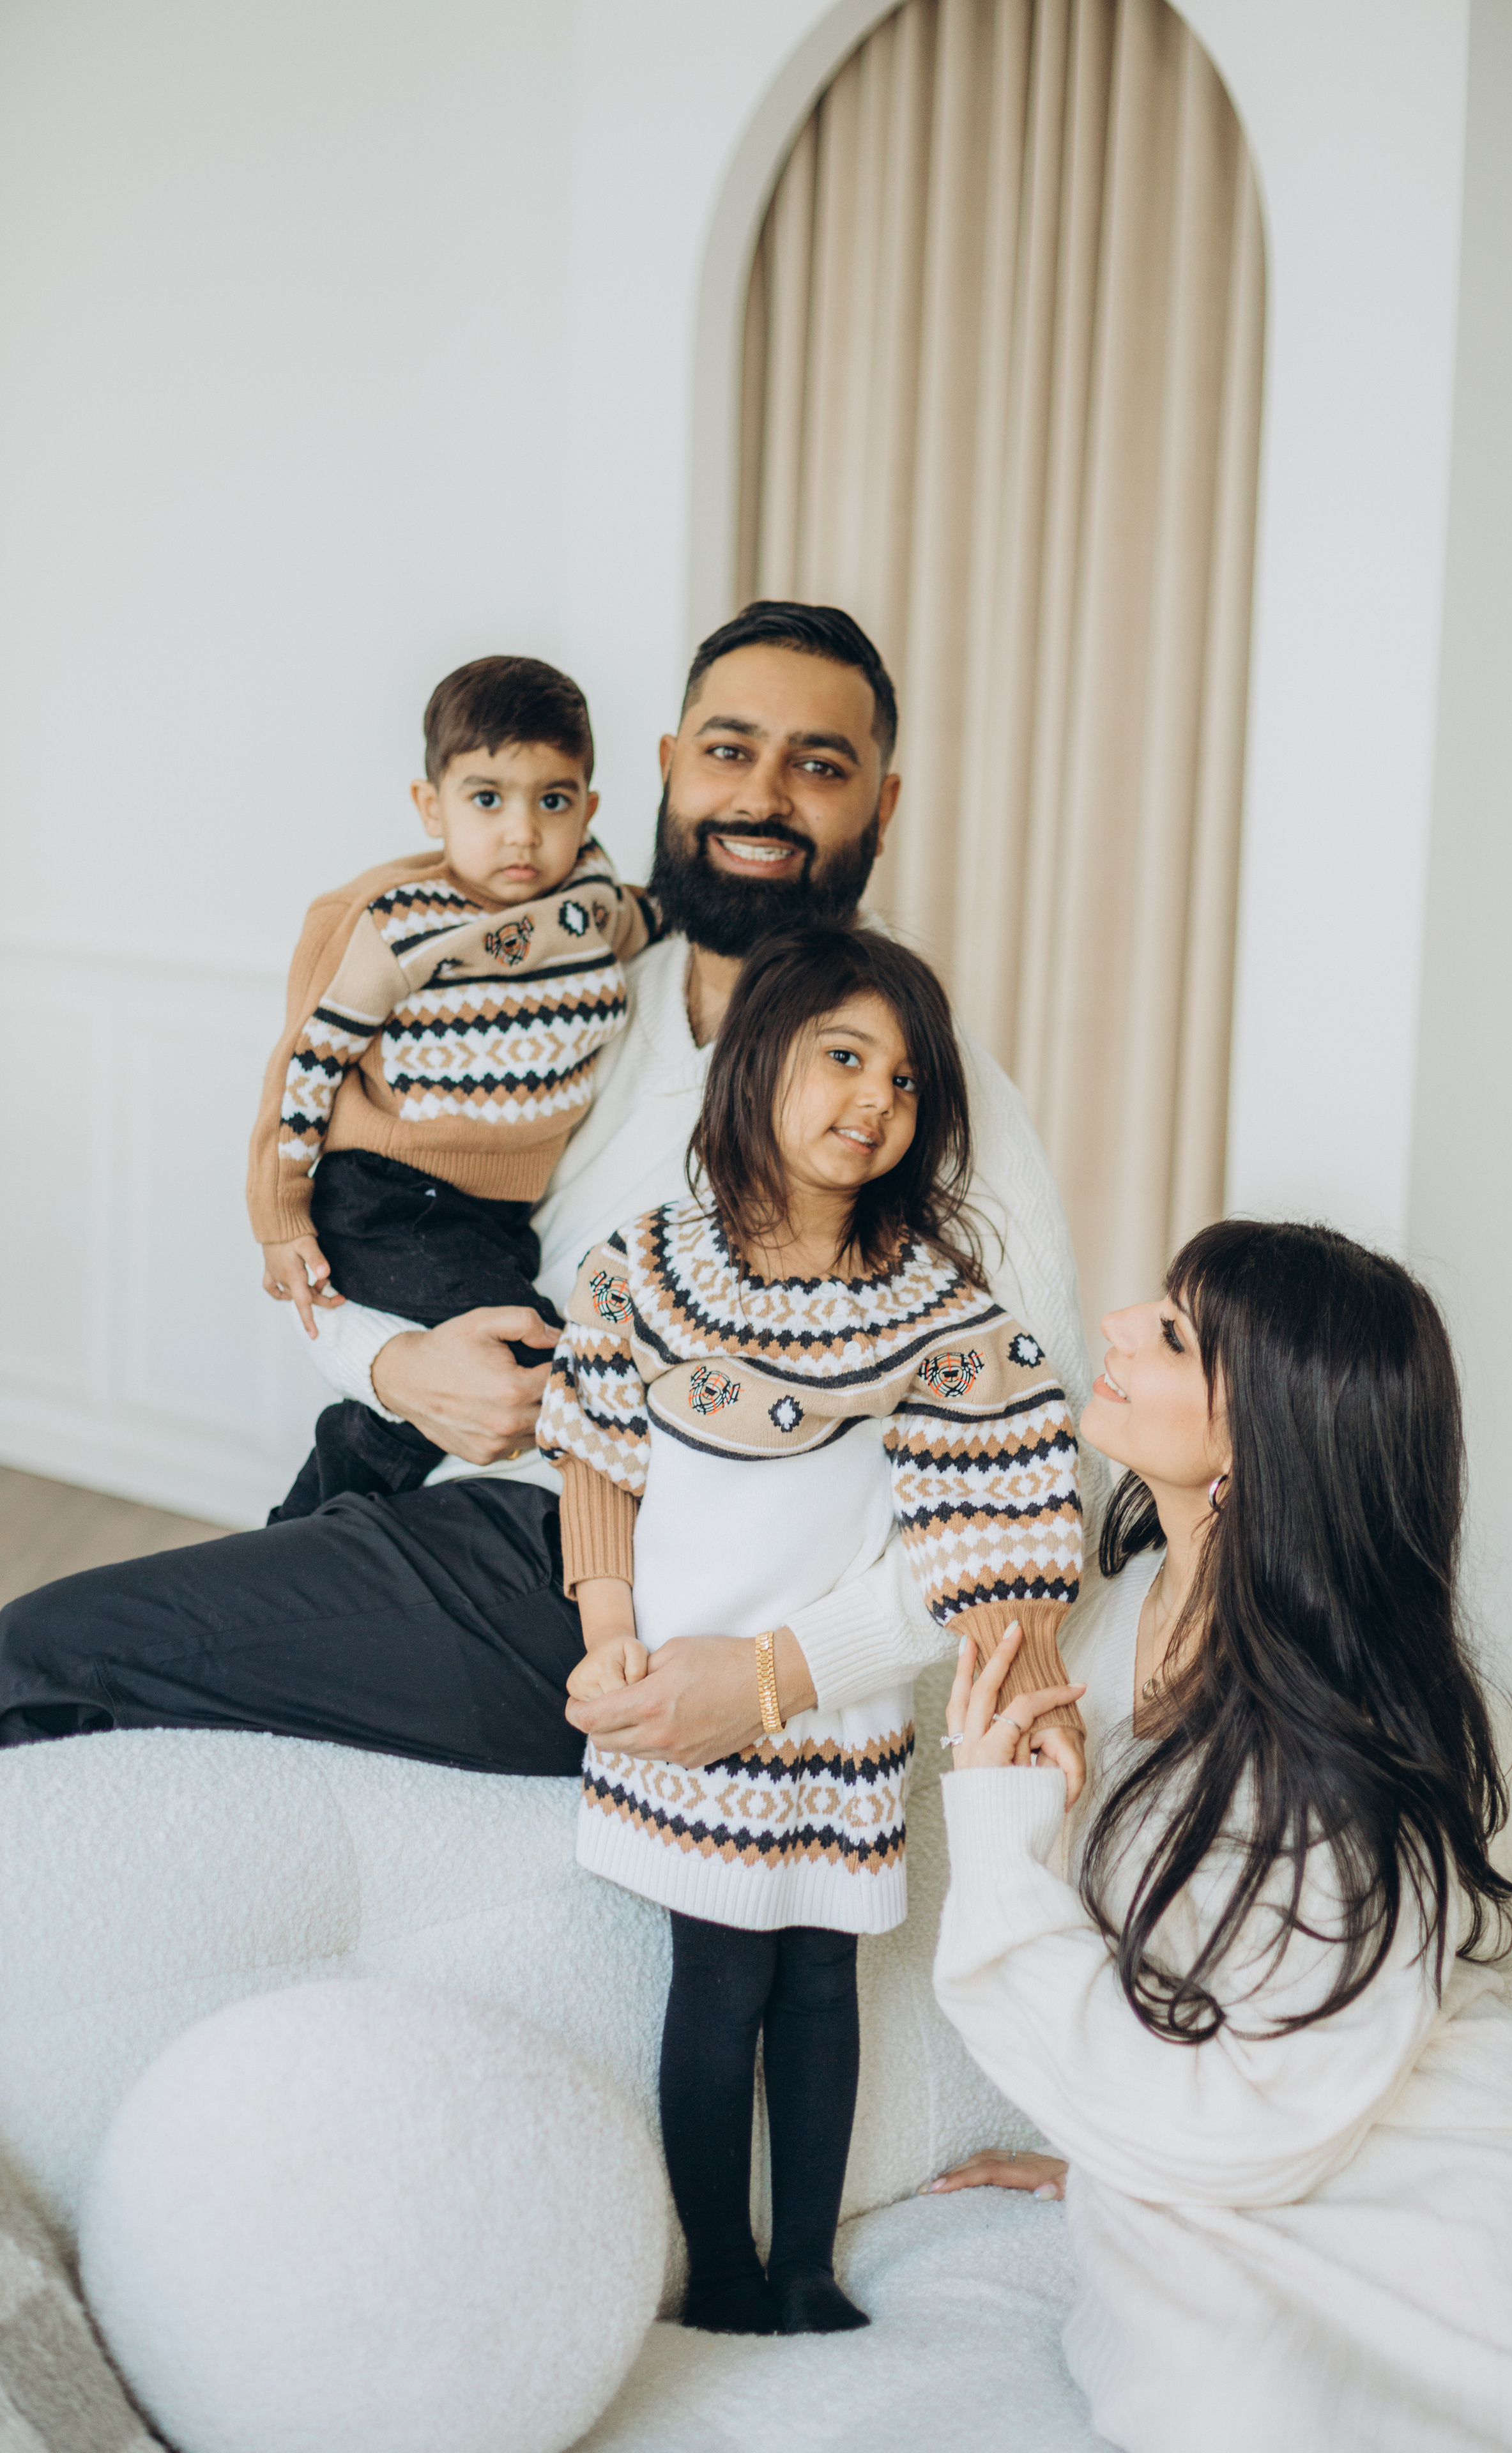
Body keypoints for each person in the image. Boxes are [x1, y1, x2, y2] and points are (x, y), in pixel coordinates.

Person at [0, 602, 1099, 1784]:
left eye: (819, 765)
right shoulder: (590, 987)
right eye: (729, 751)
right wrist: (393, 1367)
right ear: (672, 771)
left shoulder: (919, 1086)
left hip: (607, 1570)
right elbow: (375, 1224)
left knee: (42, 1657)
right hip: (441, 1472)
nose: (763, 797)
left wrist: (778, 1676)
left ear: (881, 808)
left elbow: (1051, 1473)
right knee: (121, 1701)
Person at [922, 1219, 1512, 2453]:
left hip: (1416, 2176)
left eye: (1172, 1334)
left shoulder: (1339, 1761)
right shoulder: (1118, 1599)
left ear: (1258, 1439)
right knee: (1208, 2362)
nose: (1115, 1329)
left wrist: (995, 1831)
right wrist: (1105, 2142)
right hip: (1240, 2131)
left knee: (1262, 2400)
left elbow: (1250, 2103)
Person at [539, 922, 1086, 2338]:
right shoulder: (645, 1273)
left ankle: (805, 2268)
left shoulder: (938, 1317)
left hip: (836, 1721)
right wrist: (605, 1626)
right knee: (717, 1983)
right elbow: (594, 1457)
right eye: (844, 1056)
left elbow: (997, 1539)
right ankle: (720, 2269)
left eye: (905, 1081)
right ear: (755, 1062)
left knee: (820, 1983)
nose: (873, 1100)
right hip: (679, 1706)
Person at [248, 653, 655, 1518]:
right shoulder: (396, 924)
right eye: (486, 799)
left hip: (493, 1219)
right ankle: (308, 1524)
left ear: (587, 807)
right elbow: (305, 1065)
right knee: (533, 1358)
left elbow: (667, 912)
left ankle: (318, 1540)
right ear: (430, 806)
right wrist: (279, 1214)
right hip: (390, 1200)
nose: (522, 832)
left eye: (552, 800)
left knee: (466, 1385)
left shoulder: (592, 902)